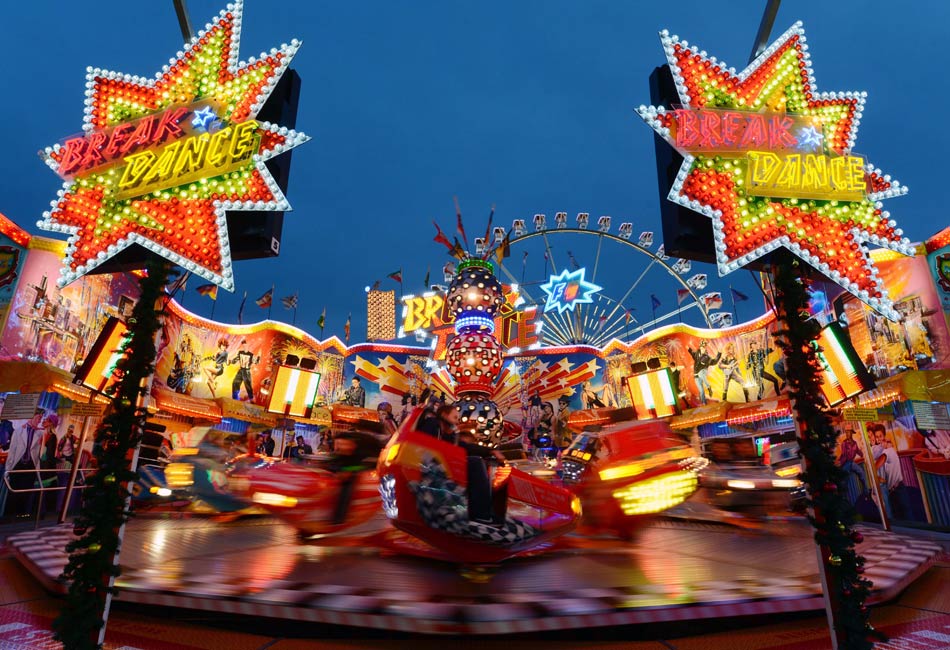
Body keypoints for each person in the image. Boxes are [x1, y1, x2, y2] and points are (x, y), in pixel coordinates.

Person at [687, 340, 721, 405]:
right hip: (696, 375)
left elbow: (714, 362)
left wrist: (719, 354)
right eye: (701, 348)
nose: (702, 349)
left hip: (703, 371)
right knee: (701, 391)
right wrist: (689, 349)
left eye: (703, 348)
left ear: (705, 349)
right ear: (700, 348)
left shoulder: (707, 357)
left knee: (701, 373)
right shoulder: (697, 354)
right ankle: (704, 403)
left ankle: (709, 387)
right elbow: (692, 353)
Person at [836, 428, 867, 493]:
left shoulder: (854, 443)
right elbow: (844, 454)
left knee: (861, 471)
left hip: (851, 462)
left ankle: (865, 488)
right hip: (846, 462)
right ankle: (843, 494)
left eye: (850, 433)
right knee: (845, 478)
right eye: (847, 433)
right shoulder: (844, 443)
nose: (848, 434)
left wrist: (862, 454)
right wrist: (841, 462)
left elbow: (857, 450)